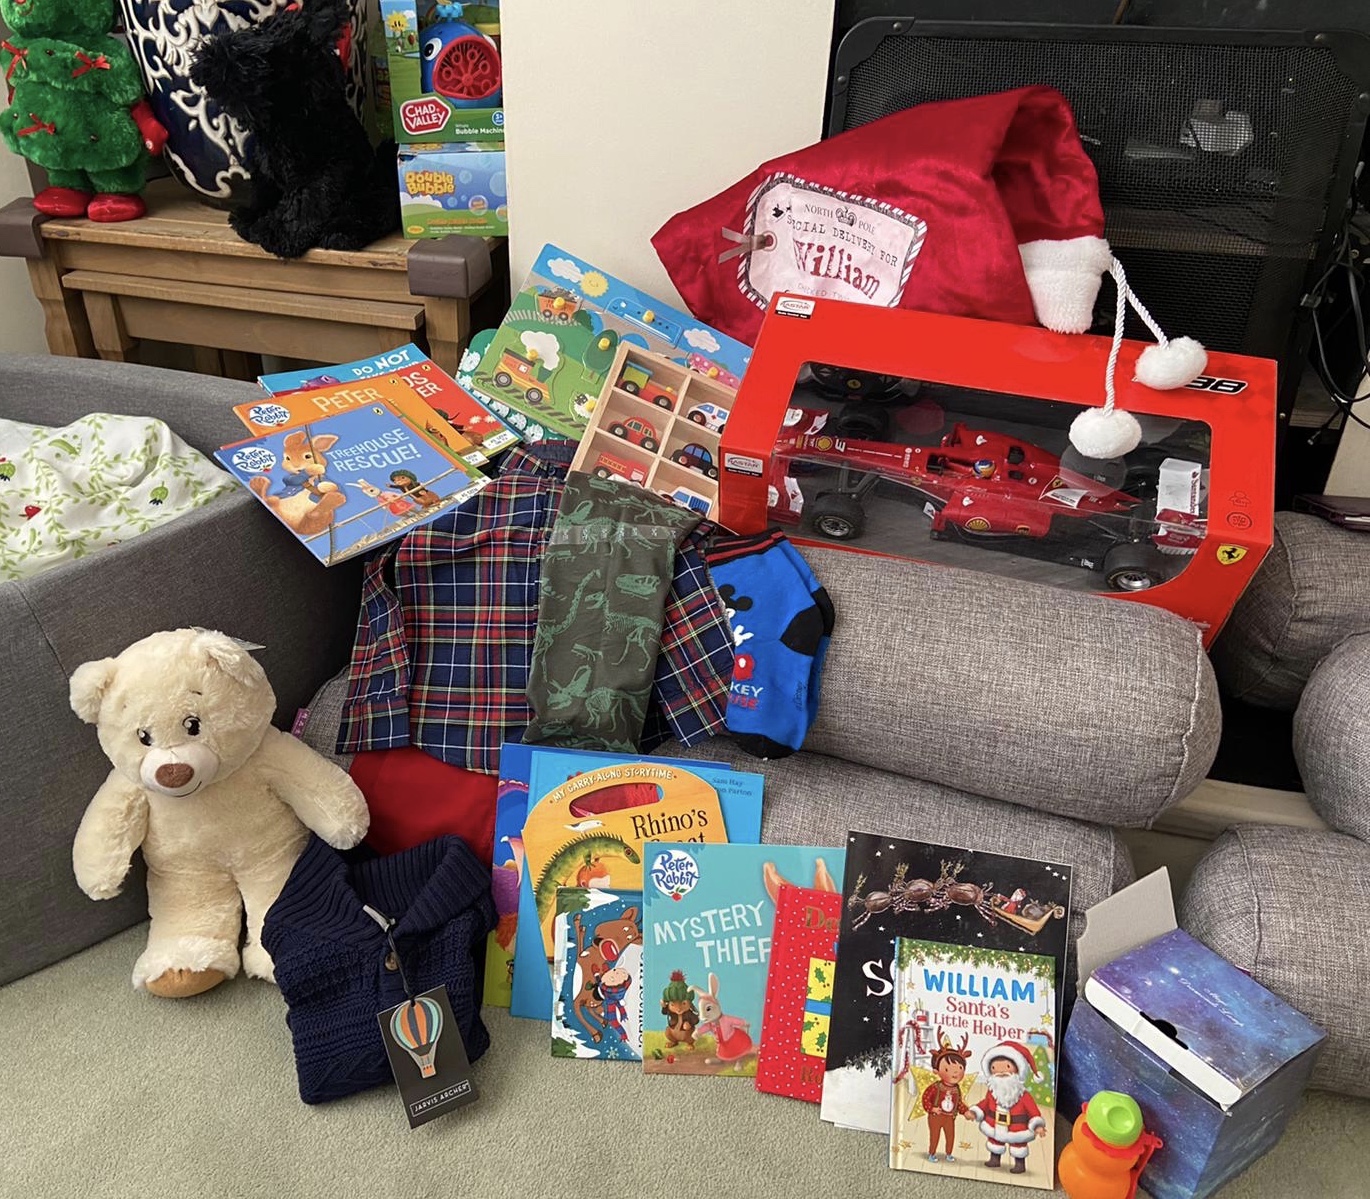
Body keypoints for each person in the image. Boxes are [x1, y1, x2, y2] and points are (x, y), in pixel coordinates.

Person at [965, 1040, 1048, 1174]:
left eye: (1007, 1066)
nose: (1001, 1072)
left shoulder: (1023, 1095)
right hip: (994, 1125)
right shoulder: (993, 1092)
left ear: (1017, 1069)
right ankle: (994, 1159)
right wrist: (975, 1112)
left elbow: (1033, 1112)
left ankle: (1019, 1164)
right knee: (995, 1142)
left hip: (1017, 1128)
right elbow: (985, 1103)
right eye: (995, 1068)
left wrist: (1037, 1125)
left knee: (1018, 1146)